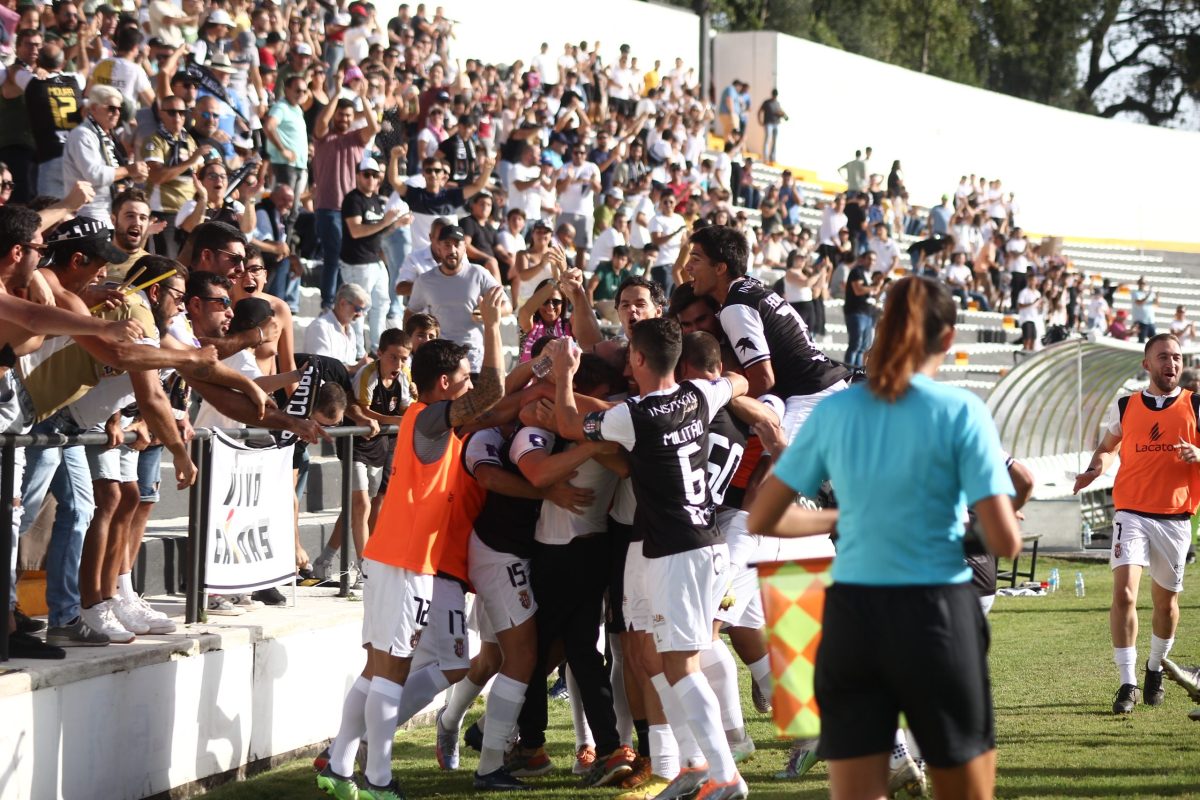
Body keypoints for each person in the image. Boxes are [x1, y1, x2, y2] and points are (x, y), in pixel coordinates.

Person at [748, 275, 1021, 800]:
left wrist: (847, 520)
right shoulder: (962, 410)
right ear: (947, 340)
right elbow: (1004, 541)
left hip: (853, 616)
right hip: (936, 611)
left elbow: (764, 517)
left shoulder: (836, 411)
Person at [317, 286, 508, 800]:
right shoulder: (427, 417)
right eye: (462, 380)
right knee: (391, 675)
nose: (469, 389)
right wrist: (491, 325)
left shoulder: (422, 422)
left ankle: (337, 765)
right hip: (406, 562)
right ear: (444, 384)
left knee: (377, 669)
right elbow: (491, 391)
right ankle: (378, 780)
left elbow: (488, 399)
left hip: (388, 557)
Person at [549, 321, 752, 800]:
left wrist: (563, 374)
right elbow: (737, 381)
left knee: (681, 664)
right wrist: (734, 390)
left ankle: (726, 776)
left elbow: (566, 423)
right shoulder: (700, 396)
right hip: (672, 544)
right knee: (646, 654)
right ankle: (693, 763)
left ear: (638, 360)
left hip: (681, 550)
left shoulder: (634, 415)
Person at [1073, 333, 1200, 714]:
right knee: (1125, 594)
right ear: (1147, 364)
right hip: (1131, 512)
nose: (1171, 364)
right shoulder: (1125, 405)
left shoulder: (1195, 403)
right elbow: (1109, 448)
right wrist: (1097, 468)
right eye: (1163, 357)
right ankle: (1126, 681)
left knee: (1166, 604)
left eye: (1177, 357)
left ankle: (1154, 668)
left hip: (1176, 518)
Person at [686, 225, 849, 442]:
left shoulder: (735, 307)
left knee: (780, 469)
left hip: (810, 395)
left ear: (720, 268)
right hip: (825, 386)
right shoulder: (752, 288)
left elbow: (763, 381)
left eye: (696, 260)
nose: (688, 267)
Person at [406, 224, 509, 376]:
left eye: (457, 245)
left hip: (475, 361)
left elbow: (507, 306)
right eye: (447, 245)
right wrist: (410, 348)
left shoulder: (479, 274)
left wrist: (487, 312)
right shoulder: (424, 281)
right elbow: (410, 313)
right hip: (440, 362)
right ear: (438, 248)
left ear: (465, 248)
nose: (452, 250)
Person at [312, 90, 380, 309]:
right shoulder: (323, 137)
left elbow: (374, 127)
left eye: (349, 116)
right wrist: (337, 93)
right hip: (328, 207)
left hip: (351, 209)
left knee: (345, 257)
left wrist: (363, 96)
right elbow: (322, 120)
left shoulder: (356, 139)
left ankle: (344, 300)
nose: (345, 119)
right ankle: (328, 303)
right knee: (333, 256)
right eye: (341, 115)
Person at [341, 158, 404, 358]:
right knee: (359, 308)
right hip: (357, 263)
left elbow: (377, 233)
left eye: (374, 175)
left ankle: (377, 349)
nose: (371, 179)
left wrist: (395, 224)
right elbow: (356, 231)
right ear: (358, 176)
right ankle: (358, 352)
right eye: (366, 174)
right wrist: (386, 221)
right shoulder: (353, 199)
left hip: (375, 261)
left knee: (382, 304)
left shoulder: (376, 201)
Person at [756, 89, 787, 164]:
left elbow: (780, 112)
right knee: (767, 140)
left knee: (774, 141)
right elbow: (759, 111)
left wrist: (783, 115)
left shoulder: (777, 103)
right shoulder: (767, 102)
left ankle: (772, 158)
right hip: (768, 123)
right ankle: (765, 158)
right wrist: (760, 121)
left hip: (776, 123)